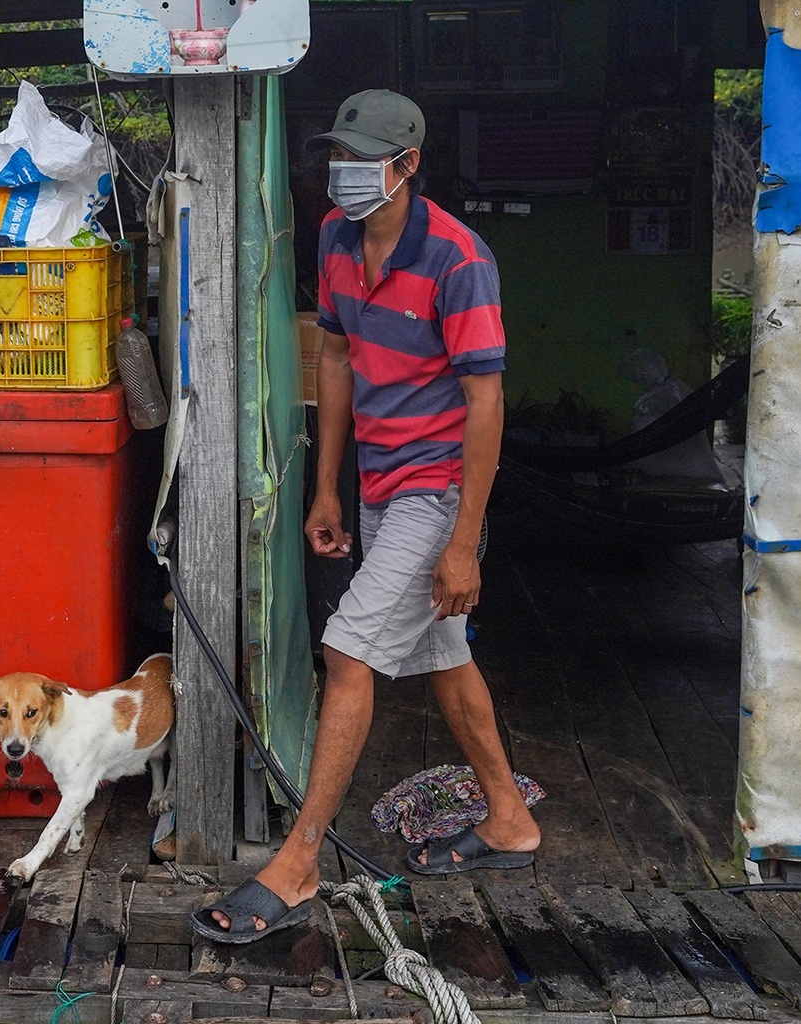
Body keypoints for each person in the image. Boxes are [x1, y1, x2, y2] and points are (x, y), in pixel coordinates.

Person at [190, 89, 541, 943]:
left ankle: (299, 861)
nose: (342, 174)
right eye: (336, 156)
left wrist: (465, 542)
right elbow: (338, 356)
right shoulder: (337, 239)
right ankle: (508, 819)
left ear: (408, 165)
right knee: (442, 659)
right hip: (379, 484)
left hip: (439, 488)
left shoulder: (460, 260)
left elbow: (486, 403)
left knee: (349, 652)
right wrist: (327, 488)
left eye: (361, 160)